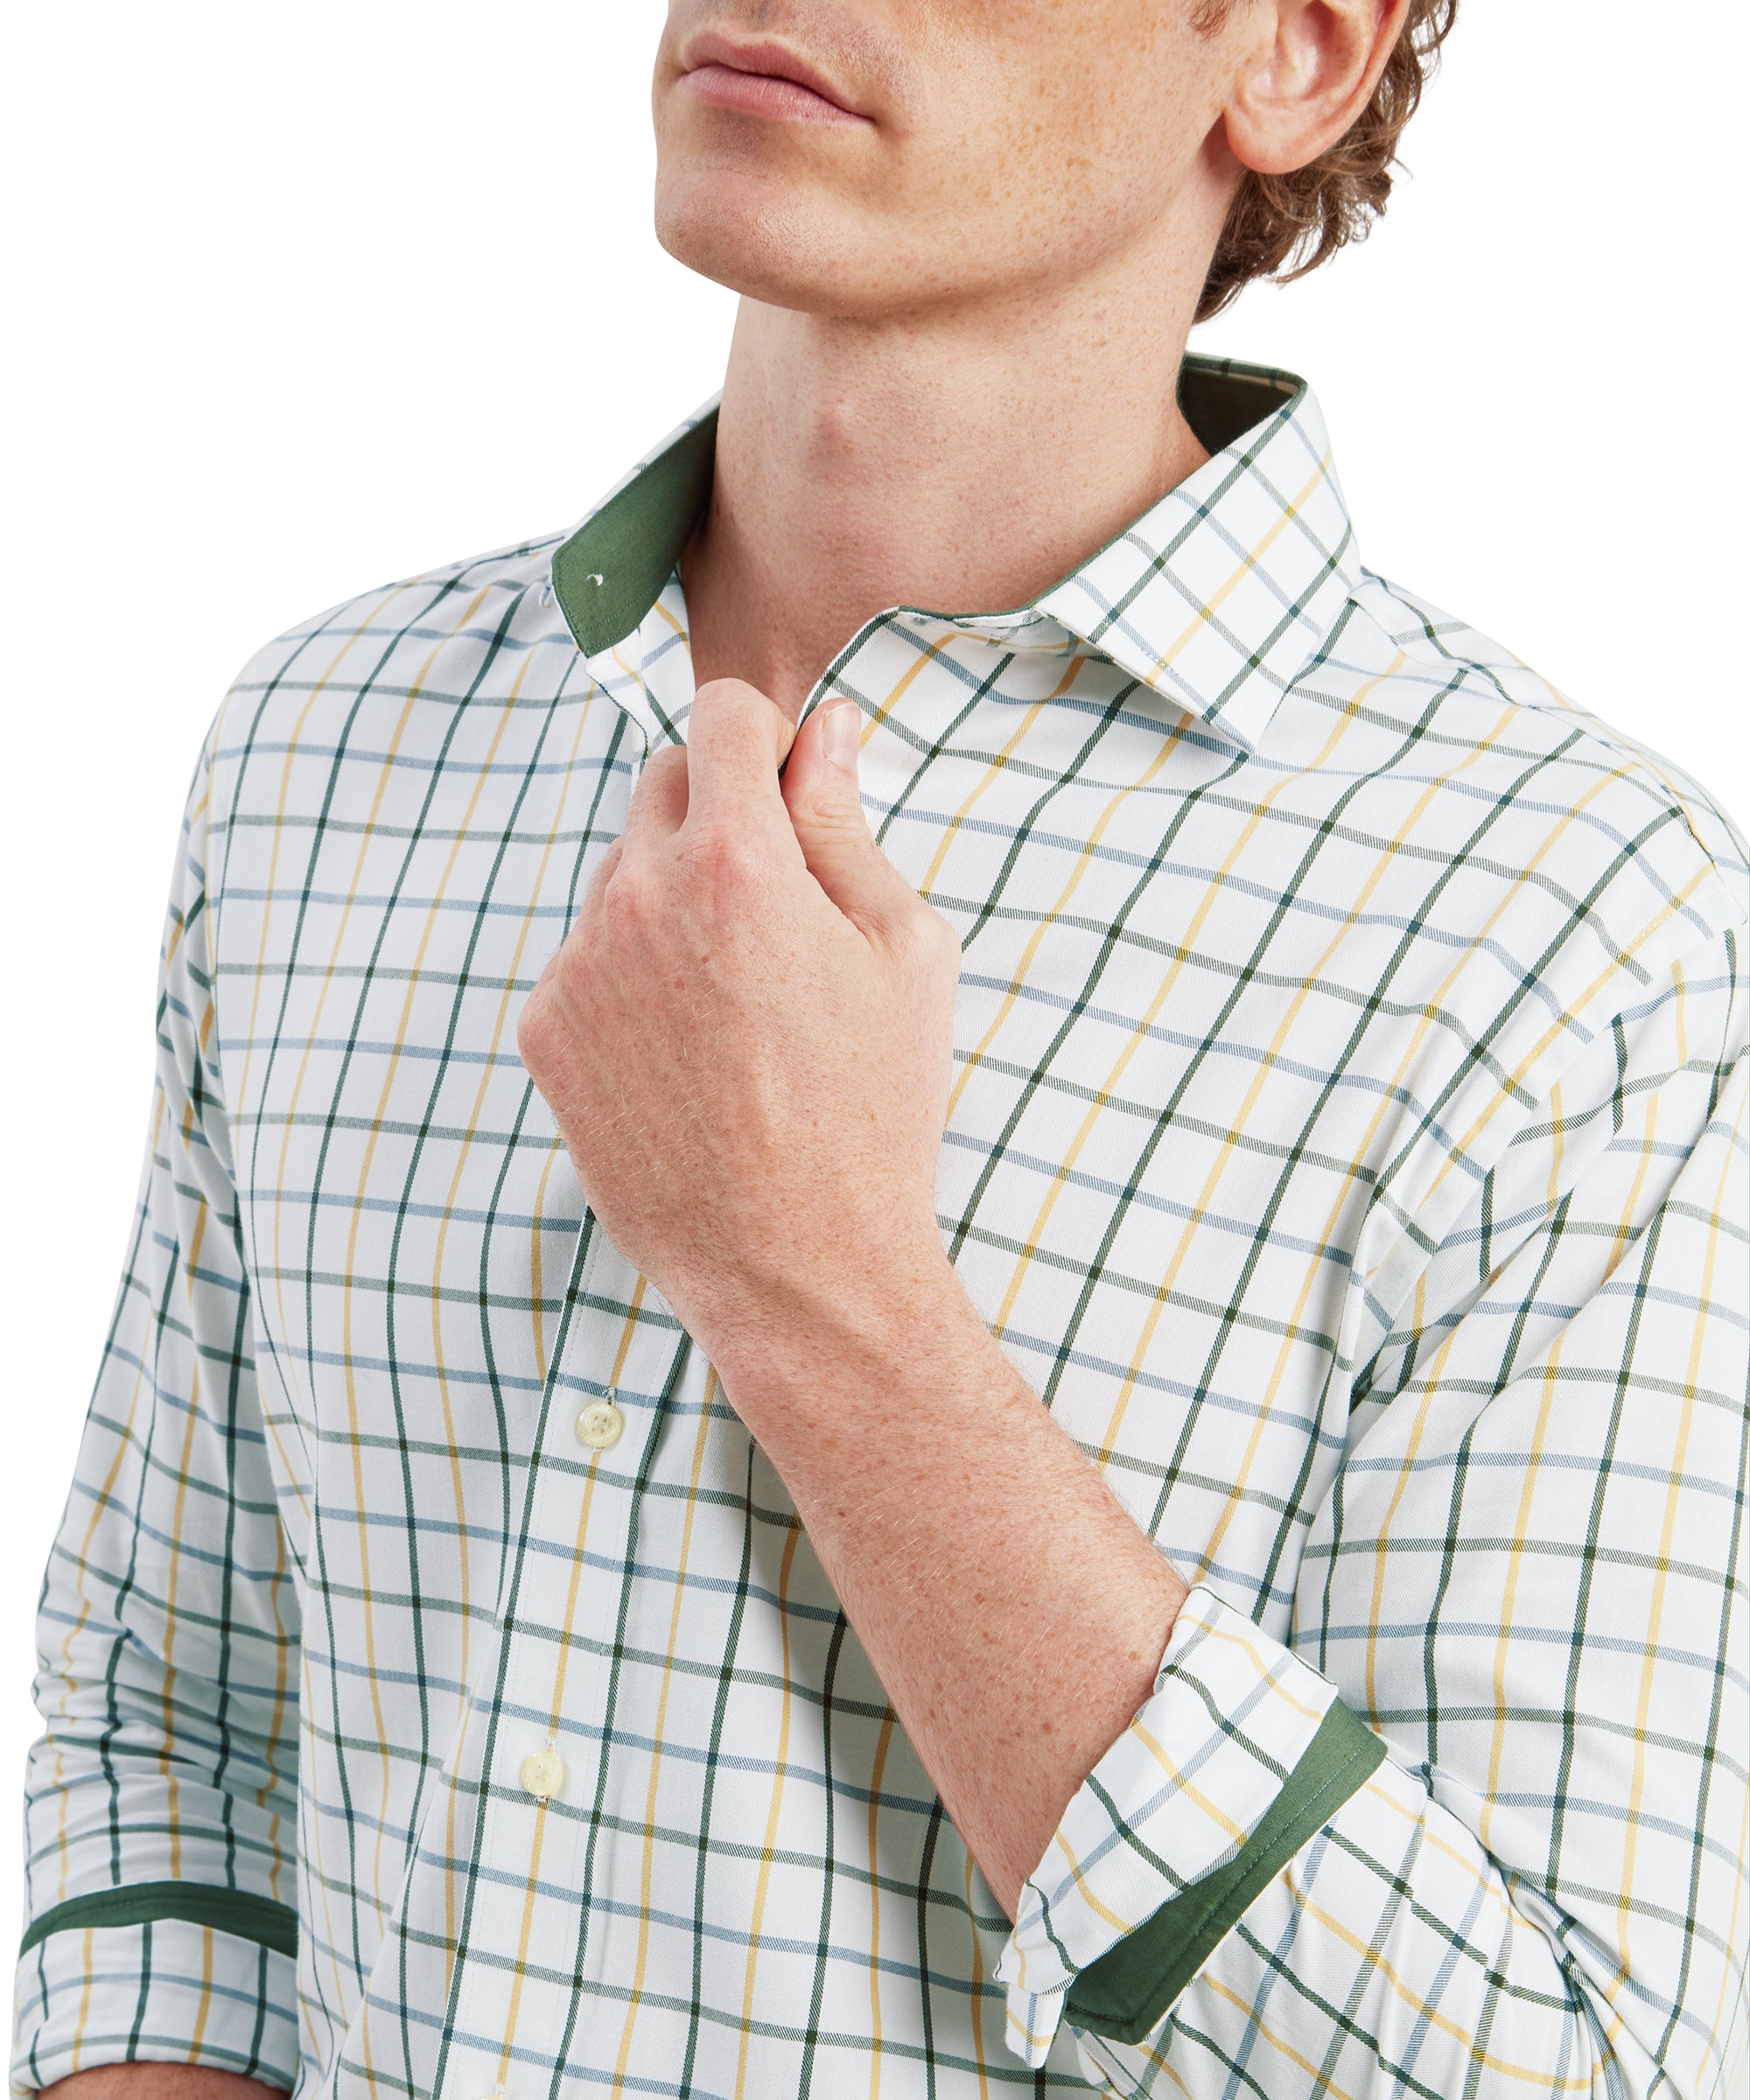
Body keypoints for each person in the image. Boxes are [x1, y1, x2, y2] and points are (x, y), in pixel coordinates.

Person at [14, 1, 1747, 2095]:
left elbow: (1558, 2061)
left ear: (1294, 48)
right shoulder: (329, 748)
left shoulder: (1568, 929)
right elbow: (173, 1737)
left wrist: (815, 1279)